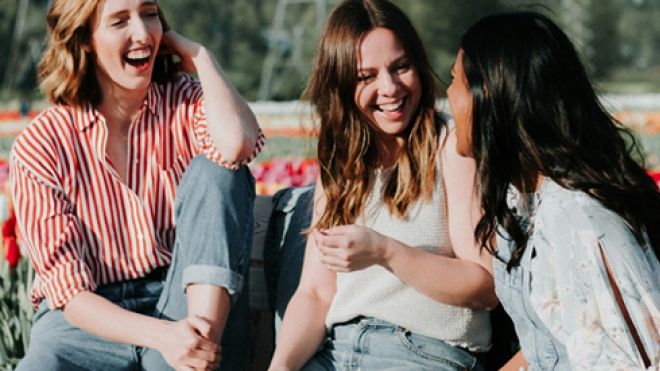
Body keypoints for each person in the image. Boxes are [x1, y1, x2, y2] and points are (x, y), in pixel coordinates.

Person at [11, 0, 264, 370]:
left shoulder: (185, 103)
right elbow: (71, 294)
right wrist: (162, 336)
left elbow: (237, 146)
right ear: (84, 38)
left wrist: (201, 56)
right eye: (119, 21)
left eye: (149, 14)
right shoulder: (43, 145)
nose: (143, 34)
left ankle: (199, 355)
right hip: (87, 324)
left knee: (218, 171)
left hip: (184, 305)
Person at [268, 1, 497, 370]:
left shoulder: (450, 148)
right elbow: (315, 293)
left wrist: (385, 252)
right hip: (335, 351)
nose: (389, 88)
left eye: (400, 67)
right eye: (366, 76)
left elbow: (483, 285)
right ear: (341, 84)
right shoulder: (341, 163)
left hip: (423, 352)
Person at [447, 11, 660, 370]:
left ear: (494, 96)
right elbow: (544, 346)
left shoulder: (579, 221)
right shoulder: (525, 201)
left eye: (456, 81)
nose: (448, 94)